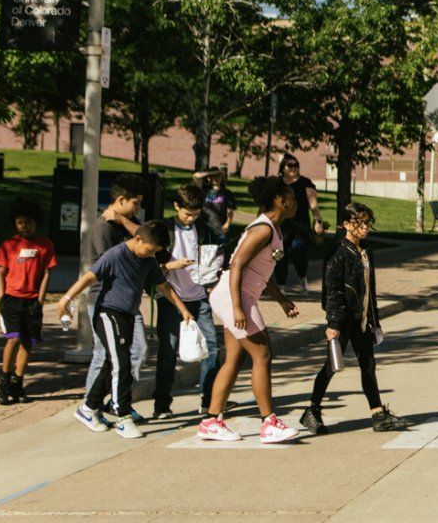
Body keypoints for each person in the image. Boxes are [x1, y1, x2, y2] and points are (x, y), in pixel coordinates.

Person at [56, 222, 194, 439]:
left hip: (127, 314)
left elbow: (164, 286)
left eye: (155, 252)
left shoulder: (147, 259)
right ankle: (123, 417)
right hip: (107, 313)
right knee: (122, 363)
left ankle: (88, 408)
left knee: (112, 363)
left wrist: (183, 309)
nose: (152, 255)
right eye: (150, 250)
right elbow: (89, 277)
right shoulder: (115, 255)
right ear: (138, 239)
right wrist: (65, 299)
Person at [197, 176, 304, 443]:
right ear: (281, 201)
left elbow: (261, 271)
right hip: (235, 296)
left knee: (235, 360)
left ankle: (211, 421)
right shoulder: (263, 229)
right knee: (263, 355)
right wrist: (236, 308)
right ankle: (269, 423)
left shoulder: (272, 229)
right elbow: (236, 266)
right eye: (292, 196)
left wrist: (281, 299)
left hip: (239, 296)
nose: (296, 201)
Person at [302, 203, 411, 434]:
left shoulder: (365, 252)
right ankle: (312, 410)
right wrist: (333, 323)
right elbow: (332, 290)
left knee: (368, 366)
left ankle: (378, 414)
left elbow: (369, 291)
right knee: (331, 366)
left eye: (367, 222)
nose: (364, 227)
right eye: (358, 222)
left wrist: (374, 321)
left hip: (361, 321)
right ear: (345, 225)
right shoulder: (338, 252)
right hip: (343, 321)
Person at [83, 174, 153, 423]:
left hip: (128, 301)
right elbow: (114, 263)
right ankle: (90, 407)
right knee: (104, 356)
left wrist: (125, 219)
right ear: (121, 199)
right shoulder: (103, 227)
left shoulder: (127, 221)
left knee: (138, 351)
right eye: (136, 203)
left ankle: (116, 400)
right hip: (105, 301)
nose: (139, 209)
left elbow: (151, 240)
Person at [152, 185, 219, 419]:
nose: (191, 219)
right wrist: (172, 265)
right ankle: (162, 405)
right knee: (168, 351)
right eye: (186, 214)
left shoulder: (201, 228)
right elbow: (151, 268)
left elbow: (210, 255)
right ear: (176, 206)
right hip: (170, 297)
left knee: (212, 348)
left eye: (196, 214)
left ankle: (209, 400)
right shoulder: (164, 229)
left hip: (199, 297)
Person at [0, 197, 56, 405]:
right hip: (12, 299)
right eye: (20, 222)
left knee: (28, 342)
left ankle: (18, 383)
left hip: (32, 302)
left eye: (28, 221)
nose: (24, 226)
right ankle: (3, 381)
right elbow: (1, 273)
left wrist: (40, 300)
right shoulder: (9, 245)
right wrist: (3, 299)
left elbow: (46, 274)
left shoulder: (45, 245)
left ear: (37, 222)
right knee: (14, 338)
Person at [274, 155, 324, 294]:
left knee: (298, 252)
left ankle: (302, 279)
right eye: (290, 165)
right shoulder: (276, 183)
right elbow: (267, 204)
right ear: (283, 167)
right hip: (281, 227)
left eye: (296, 165)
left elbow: (313, 203)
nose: (294, 168)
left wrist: (318, 221)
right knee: (280, 256)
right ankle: (281, 288)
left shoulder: (305, 183)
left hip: (300, 227)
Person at [193, 167, 237, 244]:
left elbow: (230, 211)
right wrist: (210, 173)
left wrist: (227, 224)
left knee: (219, 254)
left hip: (220, 230)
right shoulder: (204, 191)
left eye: (219, 175)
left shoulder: (226, 193)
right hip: (204, 230)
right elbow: (195, 176)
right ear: (209, 178)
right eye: (214, 176)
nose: (217, 178)